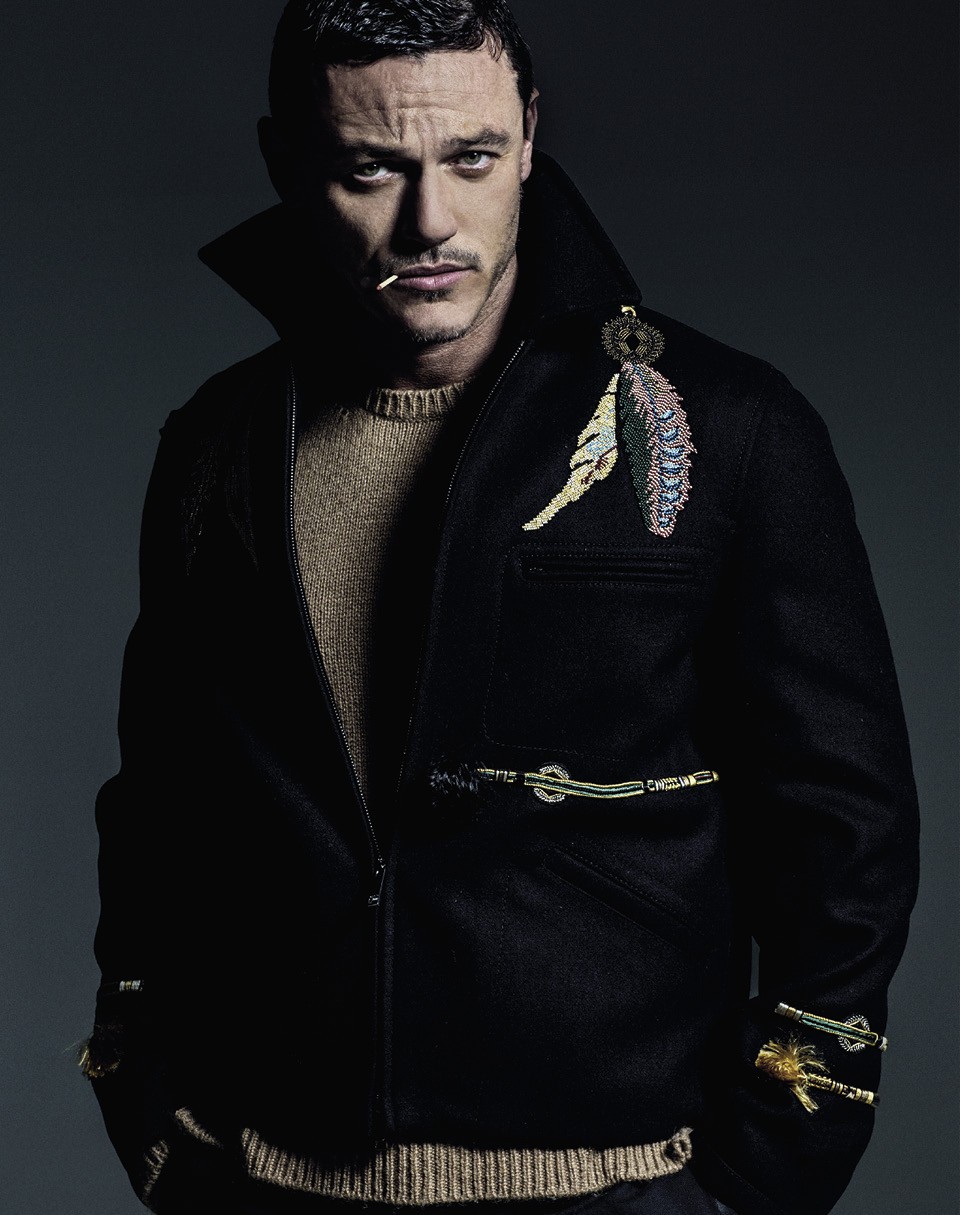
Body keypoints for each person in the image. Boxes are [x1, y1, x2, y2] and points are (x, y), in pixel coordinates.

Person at [80, 3, 920, 1214]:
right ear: (285, 161)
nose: (431, 220)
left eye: (471, 157)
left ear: (529, 136)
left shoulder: (733, 428)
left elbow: (844, 825)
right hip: (263, 1179)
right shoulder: (217, 445)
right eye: (372, 169)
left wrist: (762, 1178)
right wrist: (149, 1101)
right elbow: (162, 797)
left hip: (622, 1186)